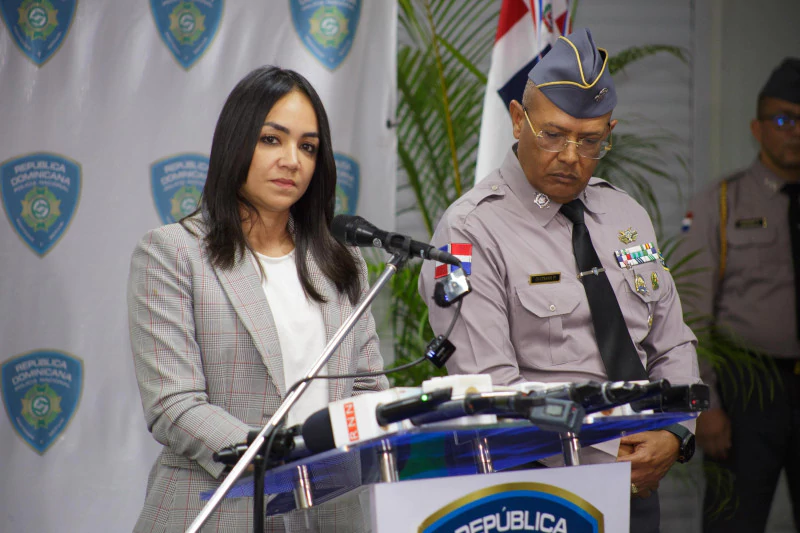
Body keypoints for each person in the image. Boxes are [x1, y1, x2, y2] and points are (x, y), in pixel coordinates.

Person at [419, 28, 700, 532]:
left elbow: (671, 341)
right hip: (537, 491)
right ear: (517, 120)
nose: (571, 156)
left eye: (590, 141)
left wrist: (676, 432)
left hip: (639, 484)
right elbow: (493, 390)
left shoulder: (625, 215)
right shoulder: (468, 232)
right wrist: (613, 451)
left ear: (609, 132)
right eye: (553, 134)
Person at [127, 66, 388, 532]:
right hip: (217, 509)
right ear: (236, 142)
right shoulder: (173, 253)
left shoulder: (342, 261)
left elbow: (367, 388)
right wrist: (279, 458)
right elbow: (174, 405)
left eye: (308, 147)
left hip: (331, 511)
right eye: (272, 139)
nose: (292, 160)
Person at [678, 58, 800, 532]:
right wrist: (706, 405)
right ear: (757, 128)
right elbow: (690, 311)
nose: (796, 131)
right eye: (784, 120)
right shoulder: (721, 202)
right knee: (733, 522)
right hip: (748, 392)